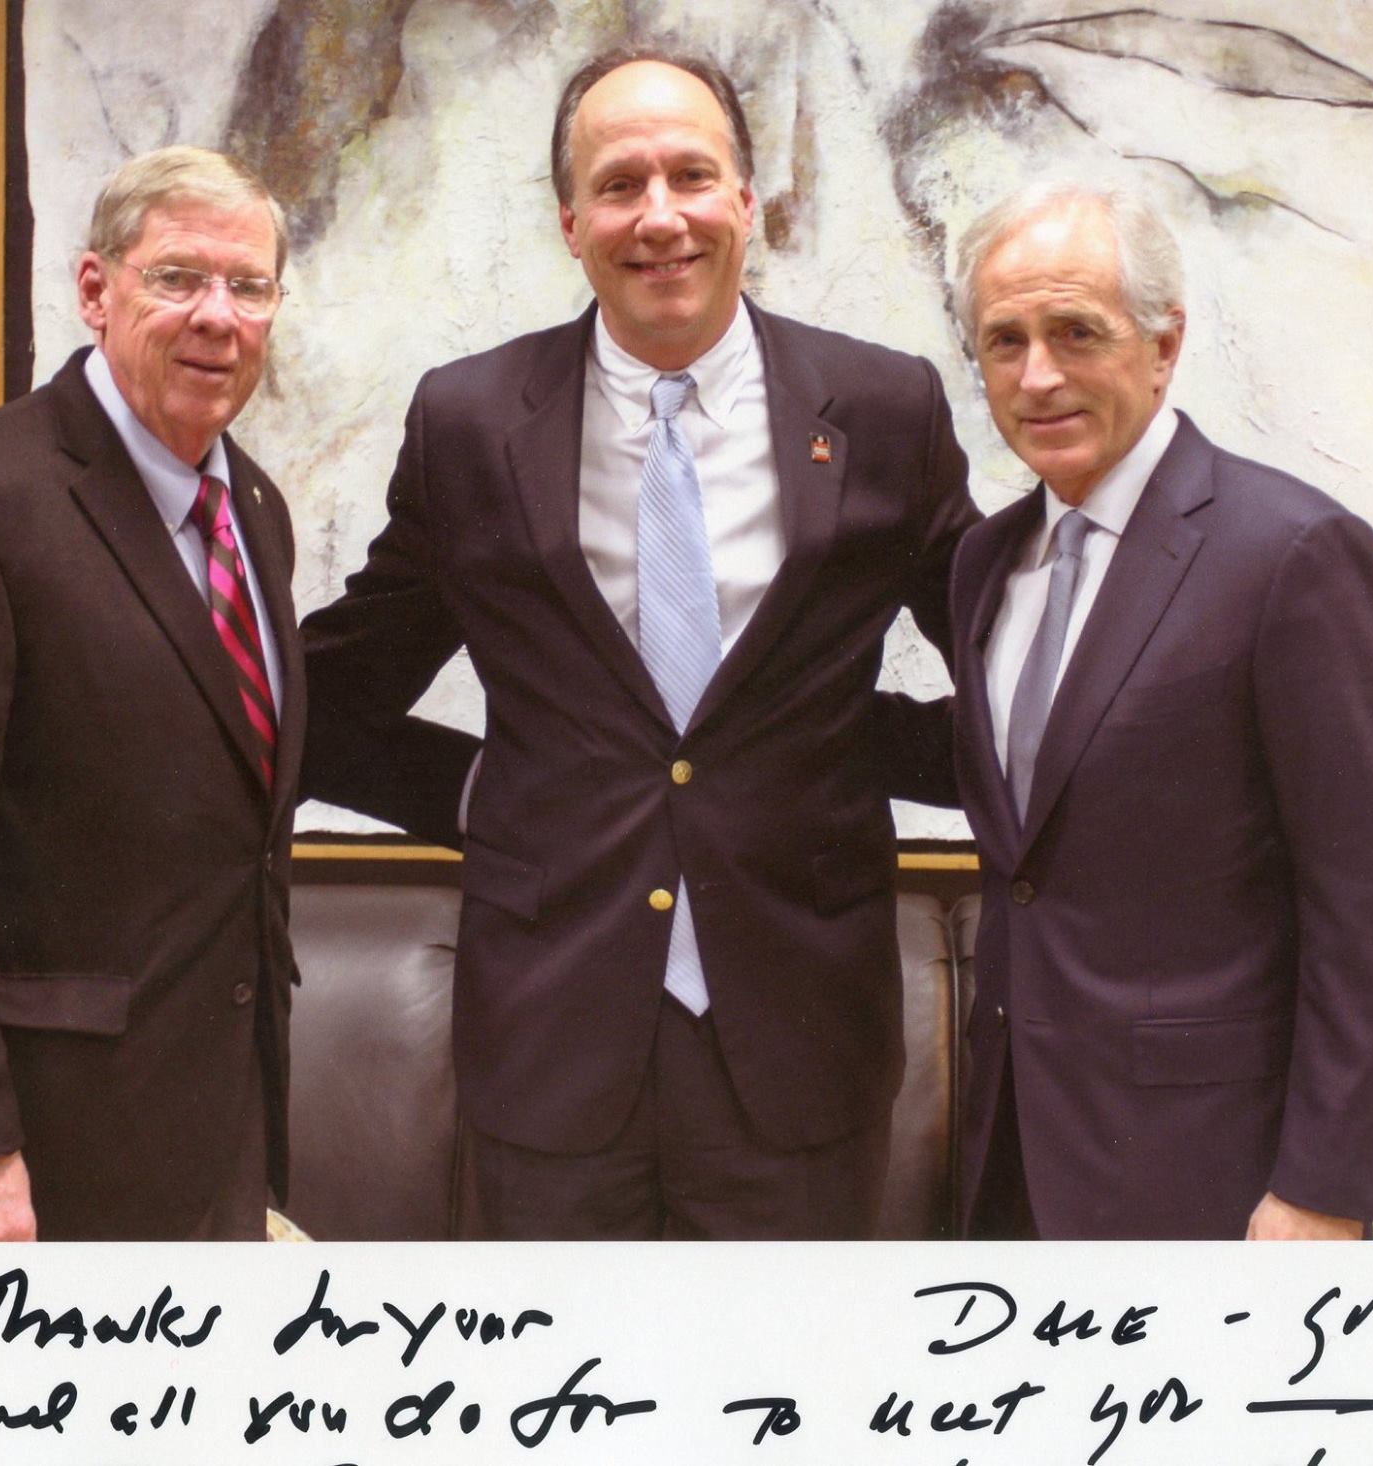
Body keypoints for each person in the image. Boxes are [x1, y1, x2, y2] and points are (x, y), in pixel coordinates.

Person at [301, 48, 974, 1239]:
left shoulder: (882, 409)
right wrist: (484, 791)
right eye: (618, 185)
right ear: (570, 223)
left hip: (801, 1047)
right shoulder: (469, 424)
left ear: (746, 201)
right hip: (552, 1047)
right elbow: (335, 695)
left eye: (690, 176)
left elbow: (1013, 672)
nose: (658, 215)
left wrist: (856, 749)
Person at [946, 181, 1373, 1240]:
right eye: (1004, 341)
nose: (1037, 375)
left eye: (1076, 332)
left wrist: (1322, 1189)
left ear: (1162, 346)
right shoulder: (985, 561)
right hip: (1015, 1154)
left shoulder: (1292, 554)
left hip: (1213, 1175)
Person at [0, 146, 303, 1240]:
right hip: (34, 1157)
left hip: (212, 1130)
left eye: (249, 286)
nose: (218, 316)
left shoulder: (255, 509)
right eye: (178, 277)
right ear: (96, 290)